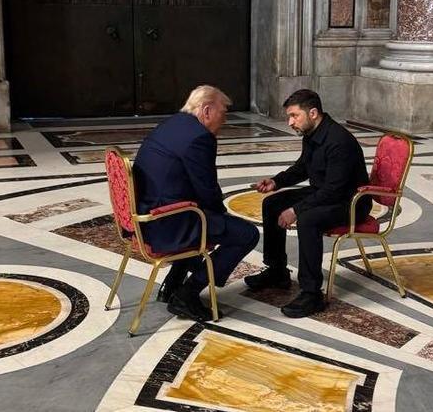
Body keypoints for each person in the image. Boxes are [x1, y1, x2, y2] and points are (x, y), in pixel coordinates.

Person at [132, 85, 259, 321]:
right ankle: (187, 294)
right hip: (167, 224)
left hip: (147, 217)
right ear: (207, 110)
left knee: (206, 219)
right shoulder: (200, 137)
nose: (225, 120)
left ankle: (172, 284)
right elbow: (207, 189)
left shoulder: (172, 124)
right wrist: (223, 218)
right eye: (223, 113)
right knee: (246, 234)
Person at [245, 89, 371, 317]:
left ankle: (312, 293)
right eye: (290, 117)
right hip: (325, 193)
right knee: (272, 204)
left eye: (294, 116)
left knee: (308, 219)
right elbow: (303, 167)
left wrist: (296, 210)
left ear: (312, 113)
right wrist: (276, 182)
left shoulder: (339, 141)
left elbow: (334, 190)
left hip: (350, 203)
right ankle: (277, 271)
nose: (290, 122)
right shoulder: (312, 134)